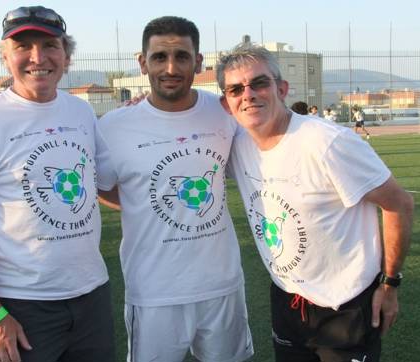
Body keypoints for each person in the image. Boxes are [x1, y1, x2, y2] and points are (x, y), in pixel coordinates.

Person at [216, 44, 414, 362]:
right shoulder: (236, 146)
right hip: (287, 299)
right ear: (227, 104)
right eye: (236, 89)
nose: (248, 94)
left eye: (259, 83)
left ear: (281, 88)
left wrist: (390, 284)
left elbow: (399, 204)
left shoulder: (326, 143)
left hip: (346, 304)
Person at [0, 6, 115, 362]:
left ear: (66, 56)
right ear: (5, 58)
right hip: (23, 305)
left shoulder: (81, 112)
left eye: (50, 45)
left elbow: (99, 186)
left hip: (92, 295)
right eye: (23, 46)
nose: (38, 57)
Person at [97, 16, 253, 362]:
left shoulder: (225, 113)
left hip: (222, 286)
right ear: (143, 63)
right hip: (154, 291)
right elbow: (100, 185)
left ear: (198, 62)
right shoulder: (113, 127)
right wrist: (140, 204)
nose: (171, 68)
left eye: (182, 56)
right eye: (159, 58)